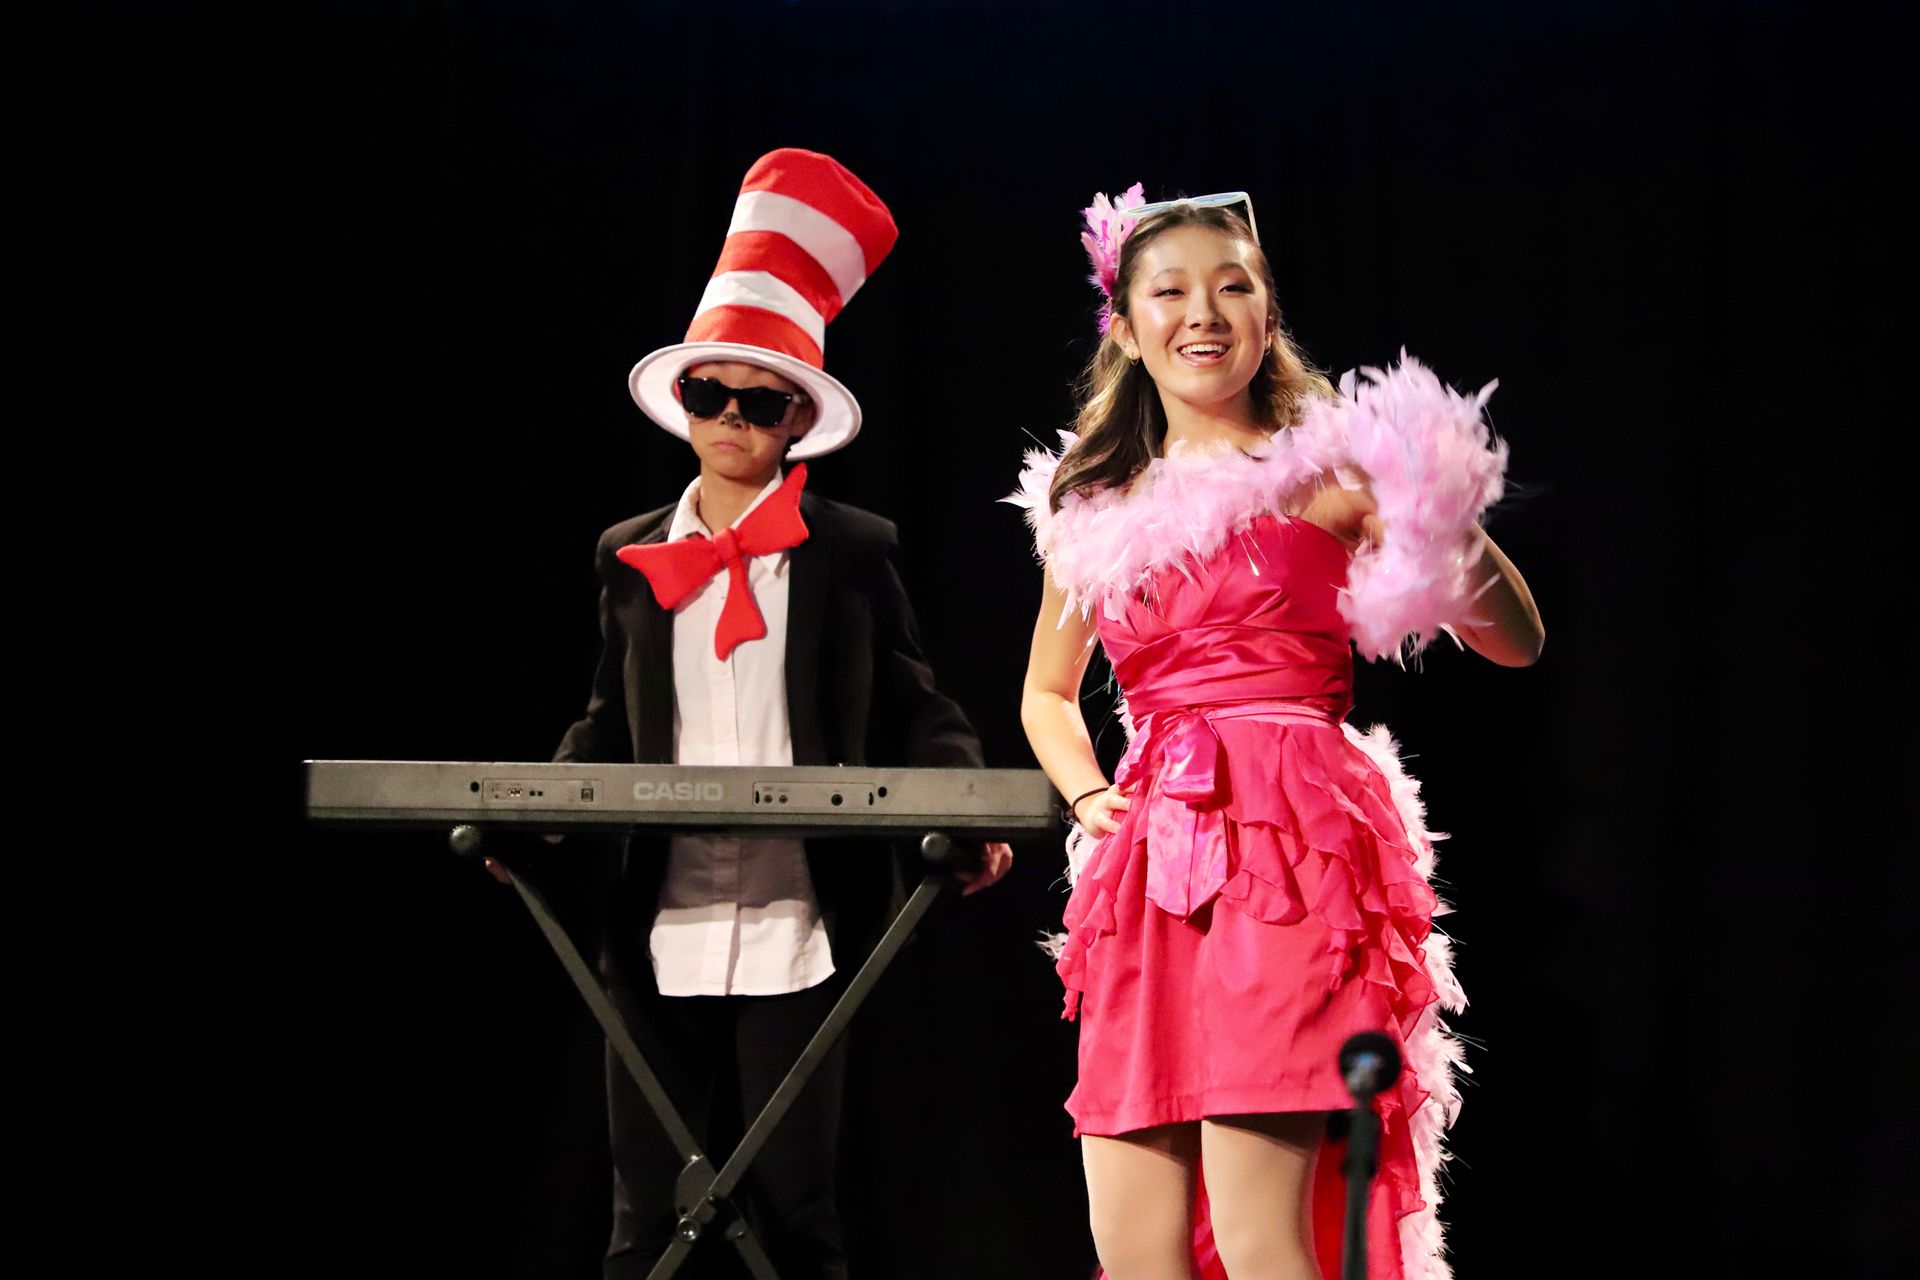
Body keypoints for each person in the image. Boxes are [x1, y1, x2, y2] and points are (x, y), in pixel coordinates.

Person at [1010, 189, 1543, 1280]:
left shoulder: (1330, 479)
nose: (1203, 313)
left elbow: (1517, 641)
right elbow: (1047, 693)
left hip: (1291, 854)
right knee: (1135, 1244)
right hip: (1152, 867)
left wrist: (1445, 514)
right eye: (1171, 291)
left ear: (1266, 314)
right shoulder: (1094, 505)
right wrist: (1090, 796)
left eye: (1233, 286)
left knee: (1261, 1239)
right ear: (1127, 323)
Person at [539, 147, 1012, 1280]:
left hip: (802, 927)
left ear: (796, 416)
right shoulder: (629, 557)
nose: (732, 418)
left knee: (797, 1217)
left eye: (760, 401)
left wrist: (971, 801)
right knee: (644, 1222)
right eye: (712, 393)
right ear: (684, 402)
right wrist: (539, 817)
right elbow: (604, 723)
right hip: (660, 930)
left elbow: (917, 699)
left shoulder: (852, 553)